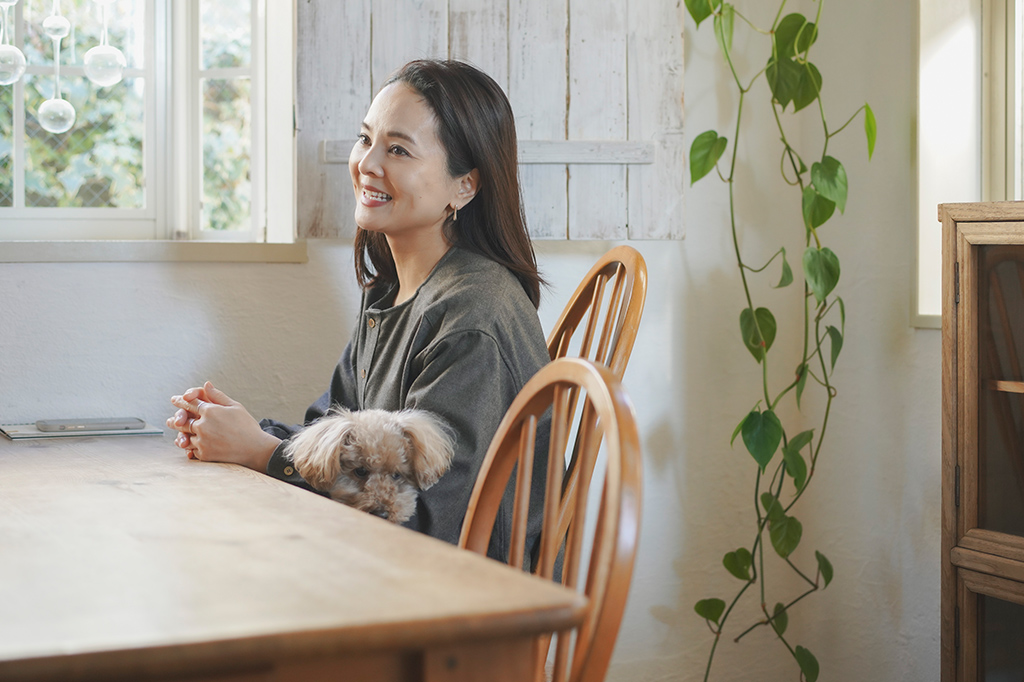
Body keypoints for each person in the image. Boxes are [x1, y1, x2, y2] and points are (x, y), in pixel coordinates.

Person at [167, 59, 551, 561]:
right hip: (382, 570)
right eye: (364, 138)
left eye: (397, 149)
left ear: (465, 185)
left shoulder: (473, 316)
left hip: (466, 603)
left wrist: (261, 453)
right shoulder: (389, 291)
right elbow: (329, 430)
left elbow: (422, 520)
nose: (367, 164)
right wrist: (244, 430)